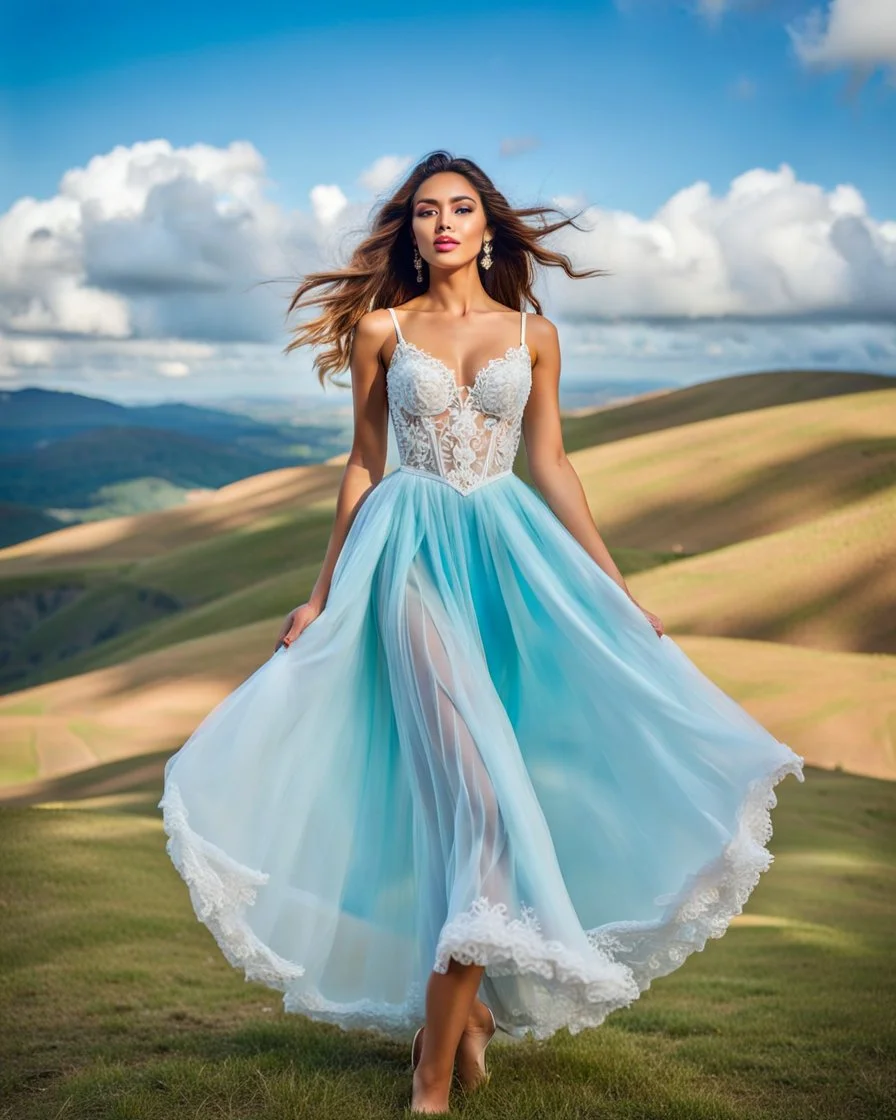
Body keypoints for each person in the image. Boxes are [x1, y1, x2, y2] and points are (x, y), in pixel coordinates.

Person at [158, 149, 805, 1115]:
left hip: (506, 564)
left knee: (489, 795)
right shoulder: (382, 329)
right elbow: (364, 466)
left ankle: (466, 1018)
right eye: (425, 212)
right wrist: (322, 592)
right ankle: (432, 1066)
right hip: (407, 560)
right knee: (485, 809)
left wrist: (616, 589)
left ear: (488, 227)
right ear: (410, 231)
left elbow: (550, 463)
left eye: (460, 209)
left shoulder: (535, 335)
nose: (443, 224)